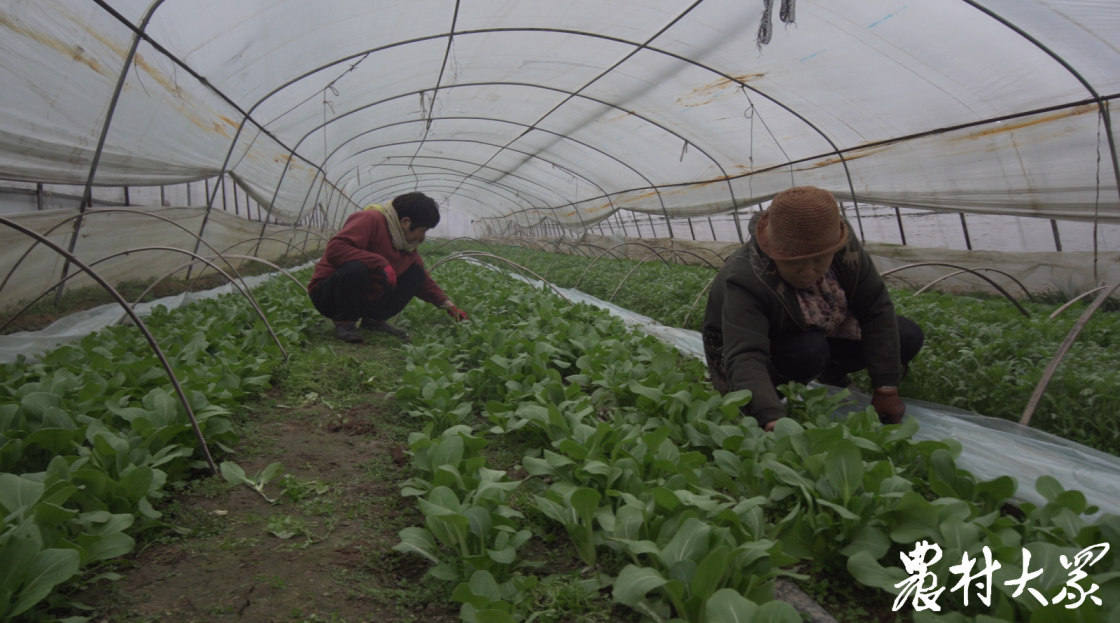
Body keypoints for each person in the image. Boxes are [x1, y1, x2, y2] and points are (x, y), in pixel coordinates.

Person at [702, 186, 924, 430]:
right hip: (755, 346)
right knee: (807, 351)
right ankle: (770, 396)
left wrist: (886, 387)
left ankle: (832, 373)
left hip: (815, 325)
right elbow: (745, 353)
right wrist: (770, 416)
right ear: (773, 251)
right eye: (795, 262)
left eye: (819, 260)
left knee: (906, 335)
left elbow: (876, 310)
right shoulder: (746, 276)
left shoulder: (843, 245)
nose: (808, 272)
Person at [307, 192, 468, 343]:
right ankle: (344, 322)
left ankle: (374, 321)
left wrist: (448, 305)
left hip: (364, 299)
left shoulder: (406, 244)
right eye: (422, 230)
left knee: (415, 274)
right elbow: (336, 248)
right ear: (405, 222)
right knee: (357, 268)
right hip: (329, 296)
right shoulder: (371, 219)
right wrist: (379, 263)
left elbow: (423, 281)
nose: (422, 237)